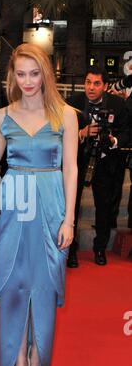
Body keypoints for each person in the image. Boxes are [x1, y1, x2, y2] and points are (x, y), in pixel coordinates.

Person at [0, 43, 78, 366]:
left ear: (46, 73)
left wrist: (69, 220)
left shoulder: (66, 114)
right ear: (12, 75)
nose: (28, 81)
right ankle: (16, 361)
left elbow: (71, 169)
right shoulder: (1, 116)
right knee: (13, 287)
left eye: (34, 73)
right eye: (21, 73)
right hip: (12, 206)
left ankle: (36, 357)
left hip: (50, 207)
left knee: (43, 289)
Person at [67, 67, 129, 267]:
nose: (90, 87)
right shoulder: (73, 104)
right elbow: (59, 131)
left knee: (103, 207)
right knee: (72, 206)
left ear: (105, 86)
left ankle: (100, 248)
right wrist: (82, 133)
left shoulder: (118, 105)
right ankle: (71, 250)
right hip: (78, 161)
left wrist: (113, 140)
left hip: (106, 161)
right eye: (87, 82)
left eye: (96, 83)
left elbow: (128, 131)